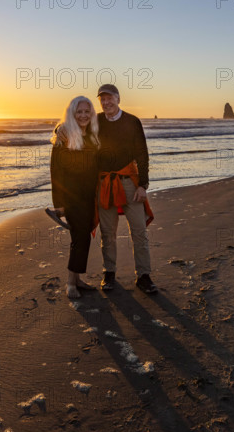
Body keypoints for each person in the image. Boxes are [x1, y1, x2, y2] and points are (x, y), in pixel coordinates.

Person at [96, 84, 157, 294]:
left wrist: (143, 185)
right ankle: (109, 273)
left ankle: (144, 276)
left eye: (109, 98)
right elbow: (75, 130)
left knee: (139, 231)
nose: (106, 103)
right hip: (105, 183)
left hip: (130, 183)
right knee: (108, 233)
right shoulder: (96, 121)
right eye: (102, 99)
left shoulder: (132, 121)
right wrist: (59, 130)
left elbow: (142, 154)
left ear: (118, 98)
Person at [49, 96, 100, 299]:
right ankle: (71, 283)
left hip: (90, 195)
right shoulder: (64, 136)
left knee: (83, 235)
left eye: (87, 111)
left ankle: (77, 279)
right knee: (80, 237)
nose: (83, 115)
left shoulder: (93, 136)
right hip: (72, 197)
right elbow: (56, 172)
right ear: (72, 113)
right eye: (79, 112)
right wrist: (59, 204)